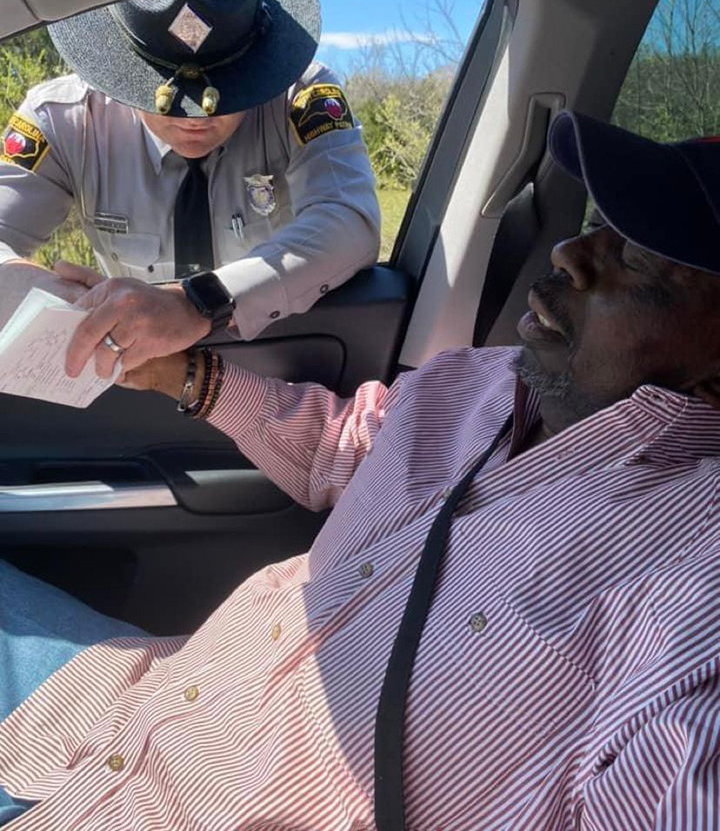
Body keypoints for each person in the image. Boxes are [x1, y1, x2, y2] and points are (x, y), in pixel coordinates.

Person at [0, 110, 719, 830]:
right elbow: (340, 444)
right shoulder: (478, 380)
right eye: (598, 222)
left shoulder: (695, 584)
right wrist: (178, 373)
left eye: (640, 257)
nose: (569, 252)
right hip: (123, 709)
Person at [0, 0, 380, 368]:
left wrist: (198, 302)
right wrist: (71, 304)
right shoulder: (65, 121)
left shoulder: (299, 98)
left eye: (227, 90)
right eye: (164, 95)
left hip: (274, 370)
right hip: (135, 371)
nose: (195, 118)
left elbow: (348, 220)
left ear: (260, 67)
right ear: (116, 68)